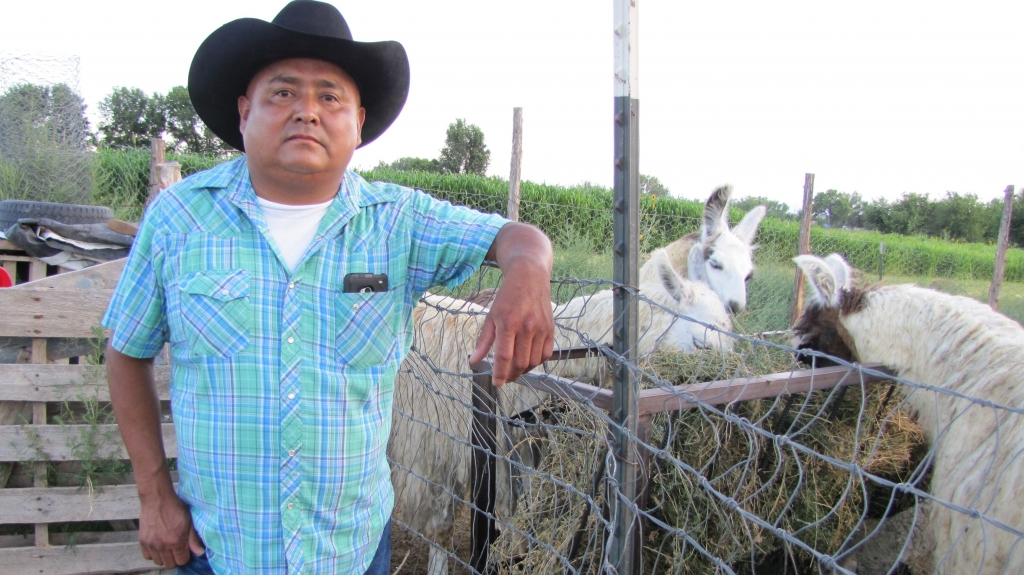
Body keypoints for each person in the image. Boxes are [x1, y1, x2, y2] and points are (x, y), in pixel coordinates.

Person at [103, 2, 555, 574]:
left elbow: (519, 239)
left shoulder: (399, 221)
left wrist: (529, 271)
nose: (307, 113)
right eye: (283, 93)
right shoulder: (178, 219)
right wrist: (154, 495)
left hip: (352, 548)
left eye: (330, 97)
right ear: (245, 112)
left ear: (358, 122)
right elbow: (126, 353)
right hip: (220, 548)